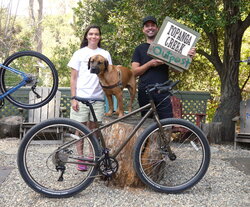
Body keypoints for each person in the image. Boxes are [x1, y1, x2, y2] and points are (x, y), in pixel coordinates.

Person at [132, 16, 196, 119]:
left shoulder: (166, 49)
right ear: (143, 30)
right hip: (145, 92)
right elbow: (134, 72)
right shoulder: (139, 49)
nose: (150, 28)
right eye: (147, 26)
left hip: (163, 91)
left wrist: (187, 57)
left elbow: (176, 70)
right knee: (146, 125)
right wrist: (150, 64)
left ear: (157, 28)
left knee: (167, 124)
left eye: (153, 25)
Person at [68, 25, 112, 171]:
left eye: (96, 34)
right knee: (79, 129)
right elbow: (73, 78)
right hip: (80, 97)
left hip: (98, 98)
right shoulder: (79, 53)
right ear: (87, 36)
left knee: (94, 130)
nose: (94, 36)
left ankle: (91, 157)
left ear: (100, 37)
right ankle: (80, 158)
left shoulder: (105, 53)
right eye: (91, 34)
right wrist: (73, 98)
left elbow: (109, 75)